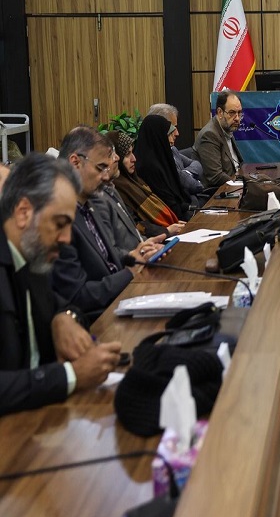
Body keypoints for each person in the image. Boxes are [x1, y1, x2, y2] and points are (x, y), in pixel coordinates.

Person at [1, 153, 121, 415]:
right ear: (23, 213)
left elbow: (66, 305)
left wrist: (63, 318)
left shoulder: (31, 258)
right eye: (59, 224)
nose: (66, 238)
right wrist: (71, 375)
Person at [52, 127, 164, 320]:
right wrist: (130, 272)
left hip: (121, 300)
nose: (106, 176)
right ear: (75, 162)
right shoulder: (57, 218)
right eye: (100, 168)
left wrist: (135, 255)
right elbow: (78, 296)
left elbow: (106, 254)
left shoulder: (89, 204)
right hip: (99, 318)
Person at [110, 131, 185, 235]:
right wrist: (166, 230)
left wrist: (172, 225)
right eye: (127, 155)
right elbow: (134, 225)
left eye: (132, 152)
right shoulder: (116, 189)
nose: (134, 159)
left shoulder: (136, 181)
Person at [134, 115, 193, 221]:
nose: (174, 136)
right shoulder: (148, 166)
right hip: (169, 220)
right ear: (158, 136)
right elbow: (166, 202)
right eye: (168, 134)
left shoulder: (161, 157)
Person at [147, 103, 206, 205]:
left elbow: (197, 164)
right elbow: (194, 186)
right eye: (172, 128)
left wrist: (185, 173)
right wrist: (186, 178)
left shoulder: (172, 149)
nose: (177, 133)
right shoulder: (156, 158)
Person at [194, 89, 244, 188]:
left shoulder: (226, 128)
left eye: (239, 113)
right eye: (232, 113)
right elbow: (215, 176)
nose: (237, 118)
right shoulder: (209, 134)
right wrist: (241, 184)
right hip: (218, 191)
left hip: (234, 184)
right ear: (220, 112)